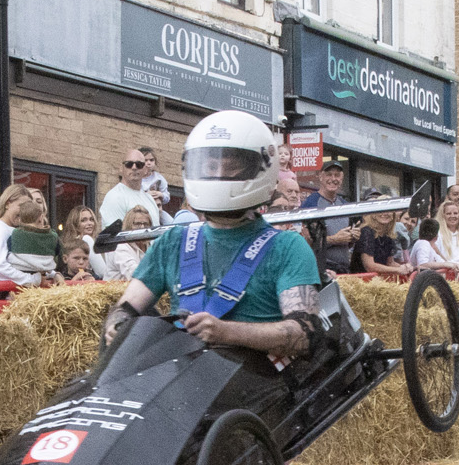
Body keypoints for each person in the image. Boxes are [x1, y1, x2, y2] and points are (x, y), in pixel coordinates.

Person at [104, 111, 321, 365]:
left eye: (231, 166)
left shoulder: (287, 246)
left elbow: (304, 334)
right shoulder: (173, 241)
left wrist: (226, 331)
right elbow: (126, 307)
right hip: (183, 375)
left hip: (253, 378)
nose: (218, 174)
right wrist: (116, 325)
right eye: (210, 166)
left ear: (260, 168)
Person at [300, 159, 358, 276]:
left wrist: (353, 237)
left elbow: (348, 243)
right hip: (320, 271)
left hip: (343, 270)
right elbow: (305, 242)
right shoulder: (310, 204)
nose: (333, 179)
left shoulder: (345, 205)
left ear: (342, 179)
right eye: (329, 174)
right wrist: (334, 239)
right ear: (321, 177)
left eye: (337, 175)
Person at [0, 184, 34, 286]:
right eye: (21, 206)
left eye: (28, 208)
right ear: (7, 204)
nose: (24, 212)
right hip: (1, 293)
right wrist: (31, 279)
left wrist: (53, 274)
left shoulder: (17, 231)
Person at [3, 197, 63, 286]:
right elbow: (58, 251)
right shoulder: (53, 237)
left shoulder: (15, 234)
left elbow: (9, 249)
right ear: (41, 218)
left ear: (20, 219)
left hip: (19, 281)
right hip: (43, 277)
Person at [350, 198, 413, 276]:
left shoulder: (388, 235)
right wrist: (398, 270)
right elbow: (369, 266)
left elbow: (390, 263)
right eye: (381, 210)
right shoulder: (366, 231)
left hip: (378, 280)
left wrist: (406, 268)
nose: (385, 213)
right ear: (374, 214)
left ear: (393, 215)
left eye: (388, 210)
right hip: (359, 280)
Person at [100, 147, 159, 227]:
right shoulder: (114, 196)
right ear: (121, 168)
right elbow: (115, 233)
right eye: (129, 164)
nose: (134, 167)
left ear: (145, 170)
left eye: (139, 165)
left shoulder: (150, 199)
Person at [139, 146, 172, 221]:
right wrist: (146, 195)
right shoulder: (137, 179)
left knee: (170, 222)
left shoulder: (158, 178)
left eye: (151, 160)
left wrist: (161, 195)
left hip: (157, 208)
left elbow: (167, 196)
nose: (149, 163)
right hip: (141, 209)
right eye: (145, 160)